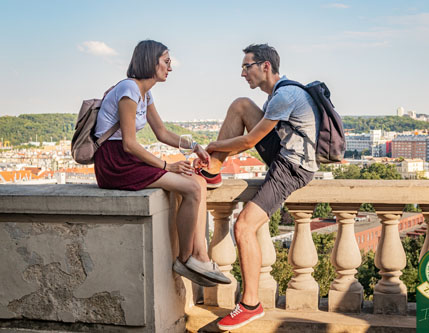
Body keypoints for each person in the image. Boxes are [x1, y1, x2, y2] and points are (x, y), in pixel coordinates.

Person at [199, 44, 320, 331]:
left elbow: (249, 142)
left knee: (243, 227)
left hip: (293, 168)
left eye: (246, 66)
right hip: (285, 156)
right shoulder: (278, 95)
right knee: (241, 103)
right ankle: (213, 170)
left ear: (265, 66)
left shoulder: (285, 95)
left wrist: (213, 146)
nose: (242, 73)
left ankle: (251, 303)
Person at [93, 39, 230, 288]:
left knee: (198, 181)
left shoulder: (145, 93)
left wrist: (194, 146)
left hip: (126, 158)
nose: (170, 67)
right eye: (166, 61)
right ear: (150, 60)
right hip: (114, 162)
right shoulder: (129, 89)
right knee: (191, 188)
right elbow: (129, 144)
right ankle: (186, 258)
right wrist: (167, 166)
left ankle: (199, 256)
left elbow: (162, 133)